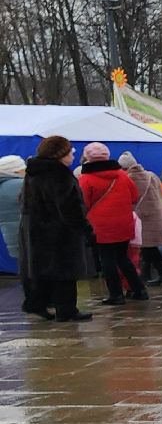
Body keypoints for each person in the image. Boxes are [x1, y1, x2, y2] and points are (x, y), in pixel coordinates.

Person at [19, 136, 93, 321]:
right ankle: (67, 310)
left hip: (37, 229)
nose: (73, 154)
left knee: (44, 271)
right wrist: (85, 229)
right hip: (60, 232)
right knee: (65, 273)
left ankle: (38, 304)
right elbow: (69, 207)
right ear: (60, 154)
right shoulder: (59, 174)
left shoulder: (34, 172)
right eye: (70, 151)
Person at [77, 141, 145, 306]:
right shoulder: (121, 175)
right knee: (123, 257)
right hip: (124, 222)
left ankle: (116, 294)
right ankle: (139, 289)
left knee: (107, 259)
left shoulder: (85, 179)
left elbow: (83, 203)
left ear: (88, 158)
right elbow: (134, 196)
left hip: (100, 226)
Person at [117, 151, 162, 286]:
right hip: (156, 216)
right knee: (148, 248)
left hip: (141, 218)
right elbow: (160, 193)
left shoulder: (128, 179)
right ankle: (147, 275)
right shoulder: (151, 175)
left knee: (149, 248)